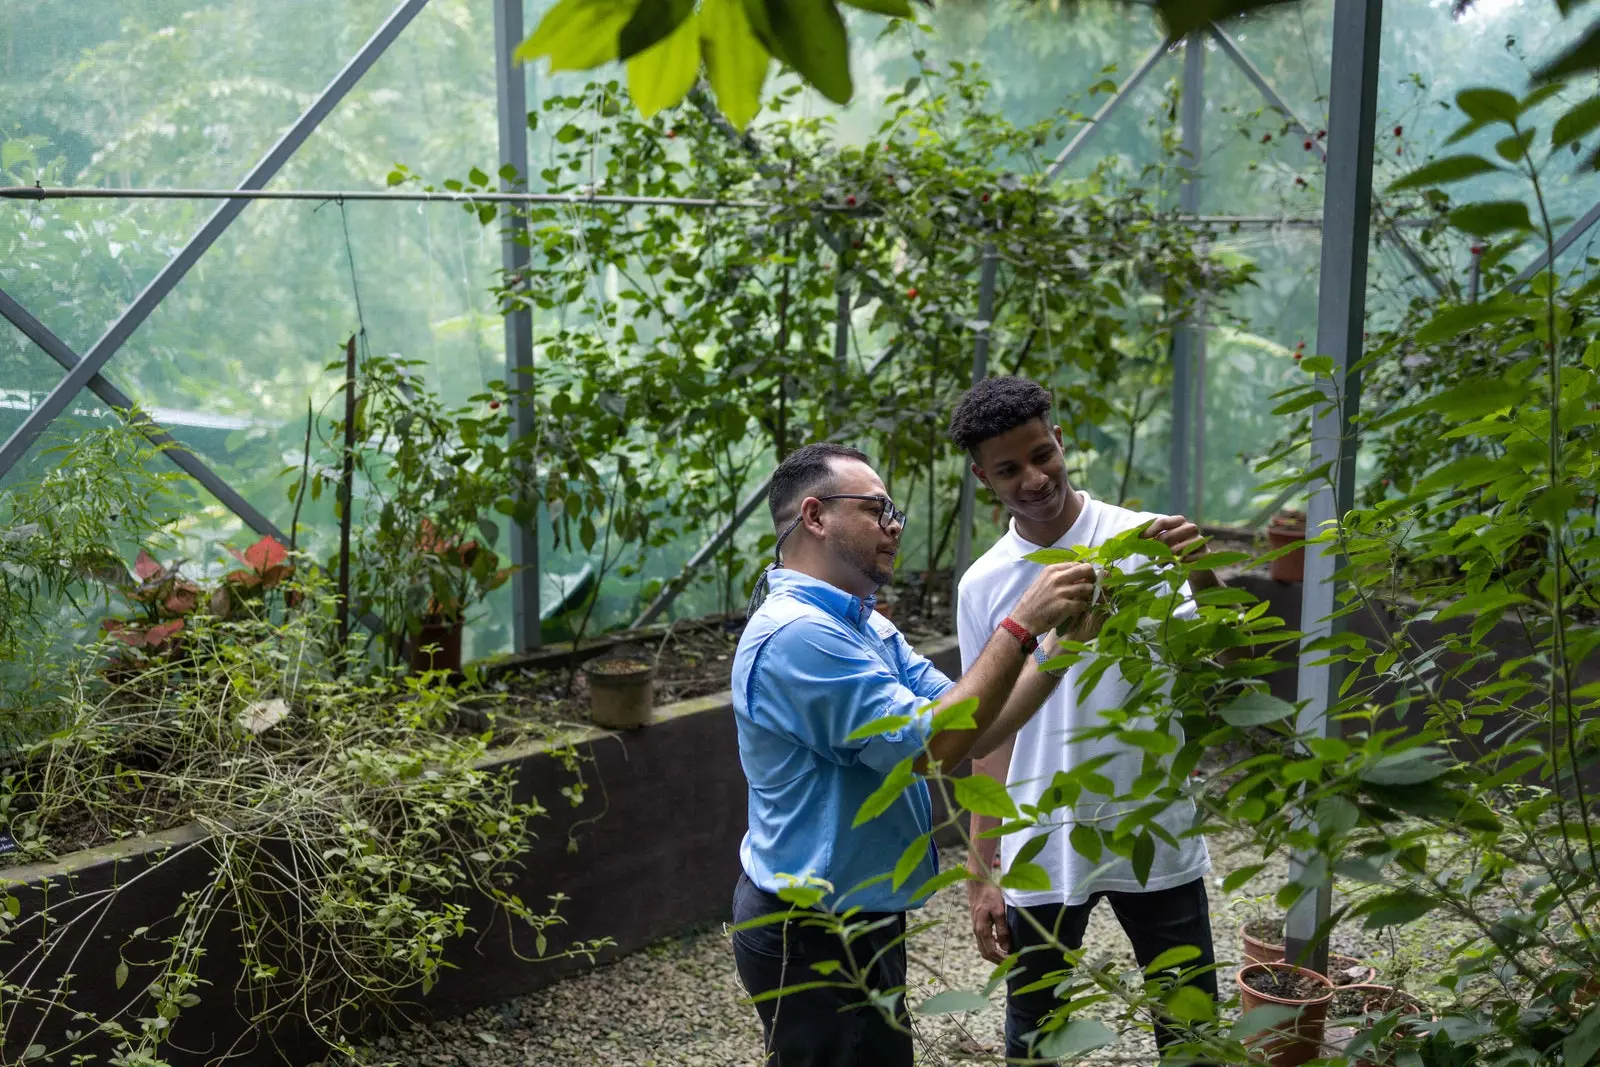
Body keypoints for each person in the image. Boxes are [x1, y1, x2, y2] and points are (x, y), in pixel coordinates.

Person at [729, 442, 1100, 1067]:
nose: (894, 524)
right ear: (815, 516)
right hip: (813, 928)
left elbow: (972, 730)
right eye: (877, 509)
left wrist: (1060, 647)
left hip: (858, 914)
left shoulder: (862, 624)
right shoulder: (799, 636)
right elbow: (934, 748)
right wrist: (1020, 625)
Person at [948, 377, 1223, 1063]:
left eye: (1043, 455)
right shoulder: (984, 583)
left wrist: (1207, 576)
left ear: (1061, 442)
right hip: (1044, 840)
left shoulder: (1143, 539)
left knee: (1191, 1027)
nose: (1034, 478)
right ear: (984, 477)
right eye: (1009, 469)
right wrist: (984, 869)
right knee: (1034, 1036)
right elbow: (991, 734)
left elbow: (1222, 663)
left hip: (1154, 823)